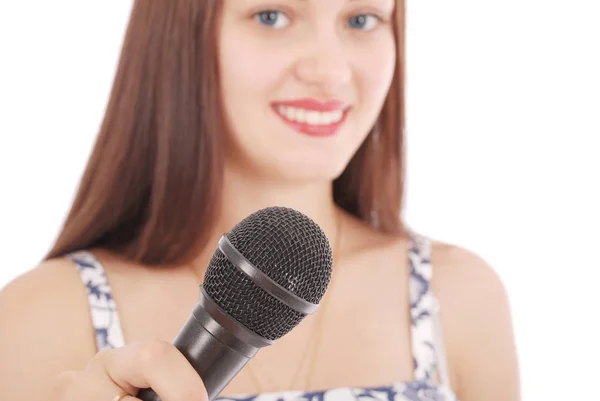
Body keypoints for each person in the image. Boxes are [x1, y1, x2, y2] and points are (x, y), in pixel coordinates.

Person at [0, 1, 521, 400]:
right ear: (181, 32)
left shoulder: (459, 296)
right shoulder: (40, 316)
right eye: (272, 15)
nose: (330, 71)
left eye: (362, 19)